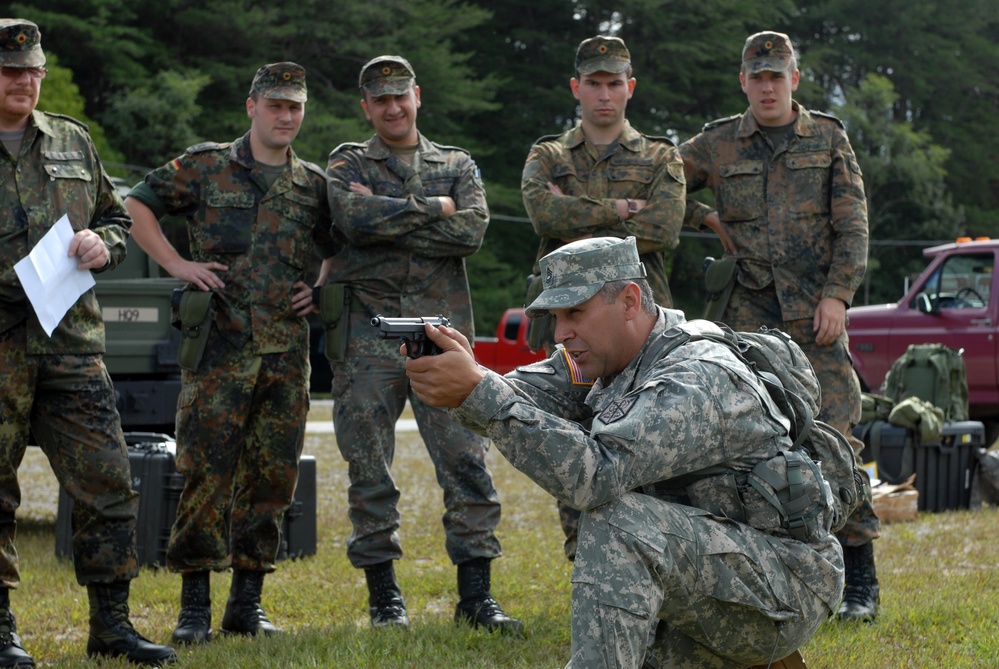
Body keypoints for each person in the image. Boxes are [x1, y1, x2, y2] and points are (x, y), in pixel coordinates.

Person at [405, 236, 843, 668]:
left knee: (619, 521)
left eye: (575, 312)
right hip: (714, 573)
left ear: (630, 301)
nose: (561, 334)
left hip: (783, 591)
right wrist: (466, 372)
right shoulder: (607, 357)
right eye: (555, 317)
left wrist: (480, 392)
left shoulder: (700, 377)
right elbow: (518, 394)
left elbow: (594, 474)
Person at [124, 62, 337, 644]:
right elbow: (137, 204)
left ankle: (247, 602)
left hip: (285, 356)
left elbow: (337, 245)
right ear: (252, 106)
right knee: (204, 476)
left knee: (272, 479)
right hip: (218, 349)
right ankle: (194, 607)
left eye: (295, 106)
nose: (286, 116)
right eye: (275, 105)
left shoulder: (312, 184)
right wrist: (177, 264)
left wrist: (316, 290)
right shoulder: (205, 165)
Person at [678, 30, 881, 622]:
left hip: (814, 317)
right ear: (743, 82)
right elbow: (659, 183)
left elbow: (854, 227)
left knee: (838, 437)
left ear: (795, 78)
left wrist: (839, 297)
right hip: (746, 326)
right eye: (757, 76)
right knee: (748, 444)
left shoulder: (828, 137)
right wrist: (706, 215)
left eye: (778, 75)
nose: (768, 86)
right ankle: (761, 576)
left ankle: (861, 579)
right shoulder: (717, 143)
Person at [322, 55, 520, 634]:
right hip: (367, 336)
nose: (392, 106)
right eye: (380, 99)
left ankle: (476, 597)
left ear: (417, 97)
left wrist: (393, 213)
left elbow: (474, 230)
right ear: (366, 106)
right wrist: (435, 207)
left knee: (465, 460)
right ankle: (385, 598)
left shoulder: (456, 162)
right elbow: (351, 219)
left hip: (442, 338)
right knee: (368, 467)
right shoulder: (348, 161)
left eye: (400, 95)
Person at [0, 18, 176, 667]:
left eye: (33, 70)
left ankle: (113, 625)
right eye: (11, 70)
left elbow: (115, 215)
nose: (25, 81)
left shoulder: (72, 138)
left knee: (106, 482)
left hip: (73, 340)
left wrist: (107, 244)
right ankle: (0, 631)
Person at [521, 34, 686, 561]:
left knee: (644, 439)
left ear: (630, 87)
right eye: (593, 83)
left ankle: (648, 561)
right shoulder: (547, 155)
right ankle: (583, 564)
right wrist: (619, 208)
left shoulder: (661, 155)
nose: (604, 94)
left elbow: (663, 229)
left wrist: (576, 206)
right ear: (576, 87)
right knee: (572, 431)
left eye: (614, 83)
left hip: (635, 327)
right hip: (569, 328)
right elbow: (541, 214)